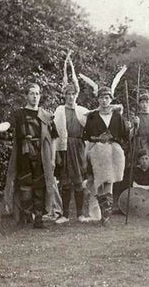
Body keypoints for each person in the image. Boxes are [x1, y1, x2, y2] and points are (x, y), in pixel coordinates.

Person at [4, 83, 62, 229]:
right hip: (24, 154)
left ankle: (38, 218)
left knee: (40, 187)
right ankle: (26, 215)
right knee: (25, 186)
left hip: (42, 155)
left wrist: (53, 159)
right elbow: (8, 125)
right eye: (31, 93)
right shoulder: (19, 114)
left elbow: (54, 138)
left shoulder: (46, 116)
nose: (34, 96)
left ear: (40, 96)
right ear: (26, 96)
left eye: (37, 94)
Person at [81, 81, 135, 226]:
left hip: (113, 151)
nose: (104, 101)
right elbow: (86, 137)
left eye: (106, 98)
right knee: (99, 182)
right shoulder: (92, 116)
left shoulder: (117, 116)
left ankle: (106, 216)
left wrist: (132, 127)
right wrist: (88, 153)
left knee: (109, 181)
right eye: (101, 98)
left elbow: (125, 135)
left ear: (111, 99)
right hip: (97, 151)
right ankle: (101, 212)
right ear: (97, 99)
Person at [53, 53, 90, 224]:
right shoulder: (59, 110)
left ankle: (80, 214)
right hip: (64, 147)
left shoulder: (83, 111)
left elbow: (90, 128)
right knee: (66, 181)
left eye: (73, 94)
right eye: (68, 94)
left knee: (79, 181)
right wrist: (57, 152)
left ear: (77, 95)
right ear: (64, 95)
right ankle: (65, 215)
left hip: (79, 147)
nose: (70, 96)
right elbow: (55, 131)